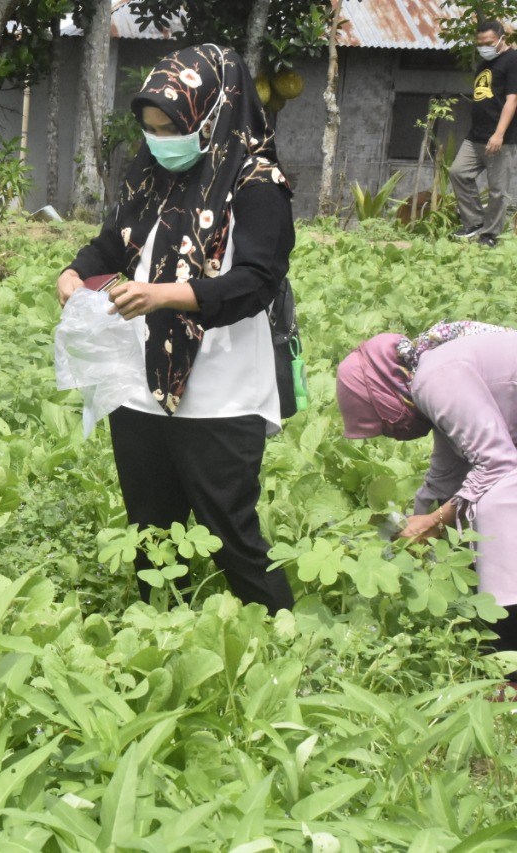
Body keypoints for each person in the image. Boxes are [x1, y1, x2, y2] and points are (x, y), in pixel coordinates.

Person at [56, 44, 295, 613]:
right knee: (151, 530)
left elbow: (257, 280)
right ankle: (161, 632)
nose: (160, 140)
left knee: (229, 529)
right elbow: (112, 243)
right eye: (150, 128)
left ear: (211, 115)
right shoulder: (151, 173)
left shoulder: (258, 182)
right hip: (139, 379)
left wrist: (166, 295)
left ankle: (280, 644)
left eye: (172, 128)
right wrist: (73, 273)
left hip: (219, 388)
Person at [336, 322, 517, 689]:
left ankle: (508, 669)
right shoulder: (429, 373)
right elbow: (446, 473)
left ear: (381, 396)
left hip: (503, 465)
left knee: (495, 506)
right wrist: (404, 531)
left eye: (381, 422)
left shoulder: (434, 379)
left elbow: (498, 465)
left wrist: (435, 520)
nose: (390, 432)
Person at [449, 20, 517, 249]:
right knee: (458, 172)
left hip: (500, 139)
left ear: (501, 37)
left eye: (488, 42)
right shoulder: (484, 64)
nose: (484, 46)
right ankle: (476, 222)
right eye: (480, 43)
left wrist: (498, 134)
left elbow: (512, 100)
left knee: (498, 190)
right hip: (475, 135)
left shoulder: (513, 60)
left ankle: (490, 235)